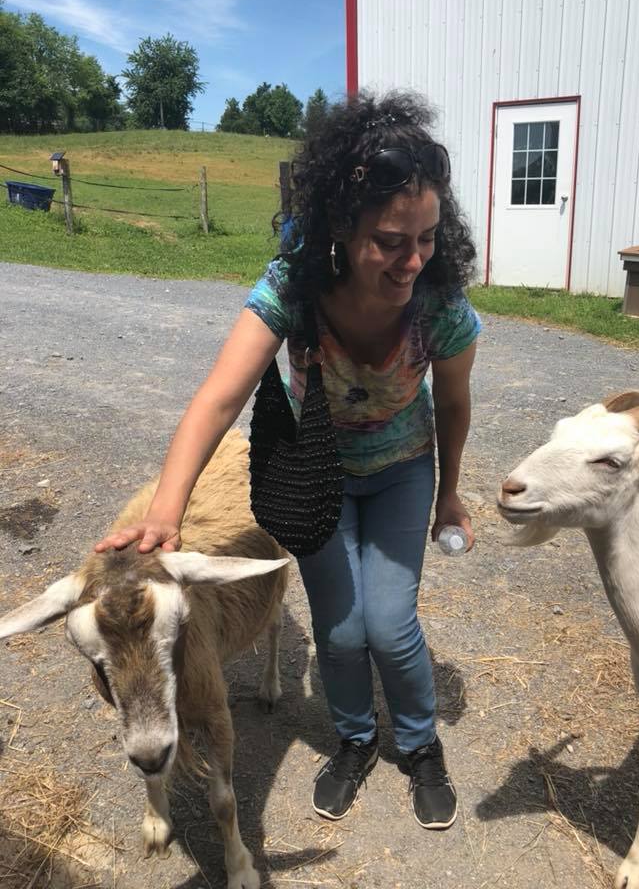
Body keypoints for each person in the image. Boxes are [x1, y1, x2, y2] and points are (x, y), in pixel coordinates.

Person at [95, 90, 481, 831]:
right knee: (339, 631)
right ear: (342, 225)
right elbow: (216, 400)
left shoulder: (440, 305)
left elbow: (455, 405)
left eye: (428, 236)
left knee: (391, 625)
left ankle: (419, 742)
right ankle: (356, 740)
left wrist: (450, 497)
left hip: (403, 471)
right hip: (318, 477)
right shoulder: (292, 290)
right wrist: (165, 515)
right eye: (392, 240)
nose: (413, 260)